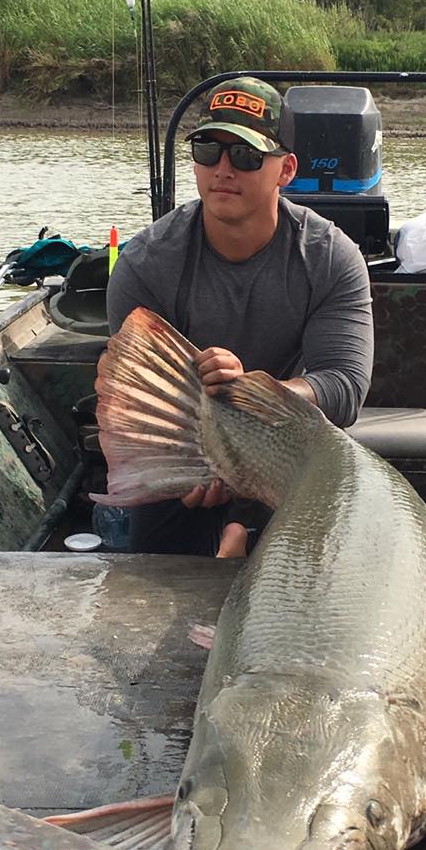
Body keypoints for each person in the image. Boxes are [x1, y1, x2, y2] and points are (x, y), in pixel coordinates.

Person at [106, 76, 373, 559]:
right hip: (189, 455)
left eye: (246, 156)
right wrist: (190, 463)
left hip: (294, 452)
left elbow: (344, 385)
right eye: (208, 150)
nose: (223, 169)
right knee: (149, 595)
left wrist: (251, 393)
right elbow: (140, 400)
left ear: (286, 169)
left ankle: (241, 539)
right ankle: (231, 540)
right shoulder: (145, 262)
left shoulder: (332, 257)